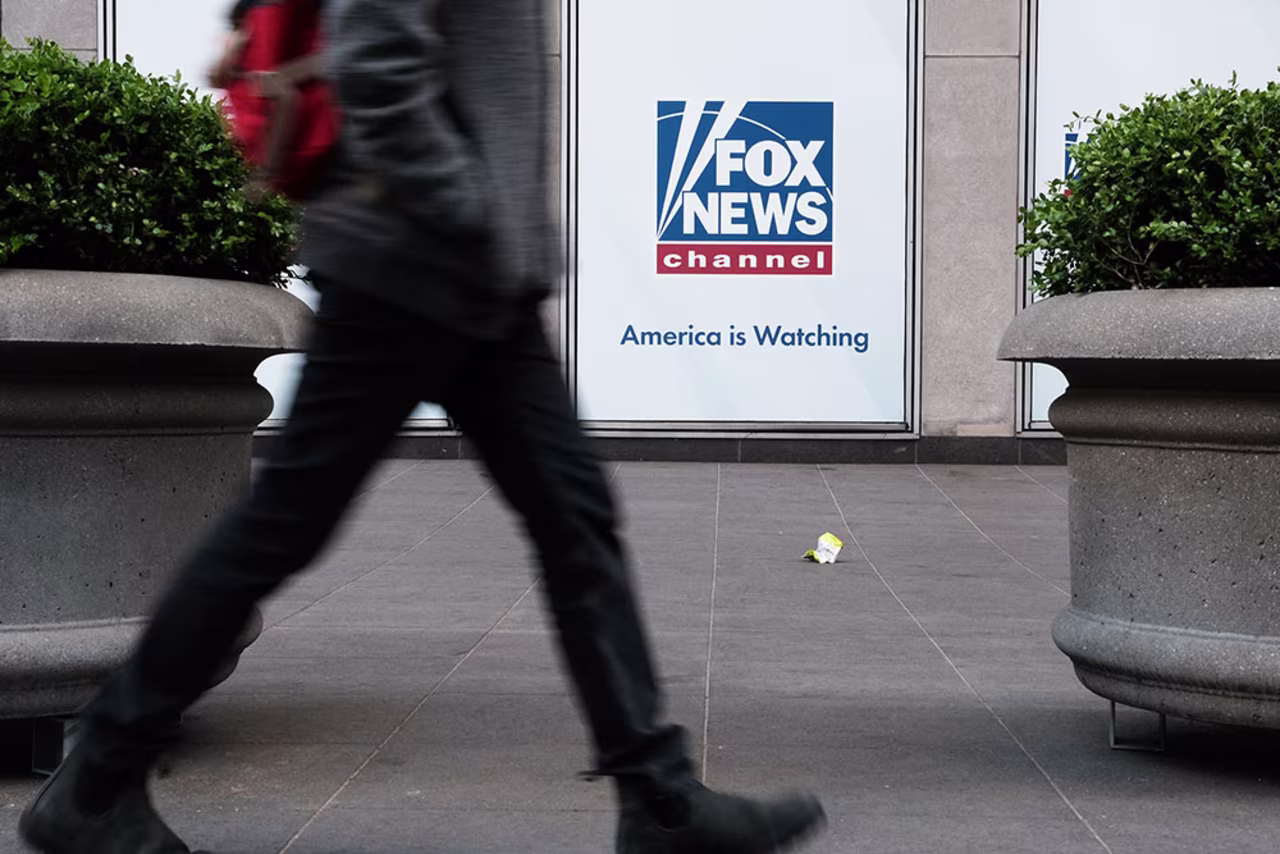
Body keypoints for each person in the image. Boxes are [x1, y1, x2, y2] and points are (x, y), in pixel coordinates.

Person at [18, 2, 828, 853]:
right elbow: (377, 54)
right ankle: (100, 778)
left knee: (571, 517)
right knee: (290, 525)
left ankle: (658, 799)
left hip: (465, 273)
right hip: (413, 263)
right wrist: (467, 207)